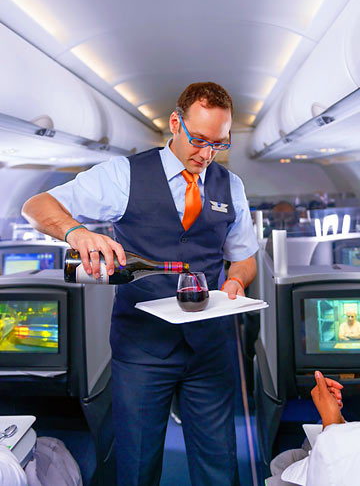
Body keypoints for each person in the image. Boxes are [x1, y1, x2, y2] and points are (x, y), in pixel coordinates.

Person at [22, 82, 258, 486]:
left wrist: (236, 281)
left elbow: (245, 257)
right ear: (175, 123)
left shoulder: (230, 186)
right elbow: (36, 206)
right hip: (142, 350)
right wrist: (76, 233)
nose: (206, 154)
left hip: (210, 349)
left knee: (221, 466)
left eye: (219, 143)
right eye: (198, 139)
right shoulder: (123, 175)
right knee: (137, 467)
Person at [267, 370, 359, 486]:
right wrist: (336, 424)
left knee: (282, 464)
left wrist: (331, 424)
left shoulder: (332, 455)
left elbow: (332, 461)